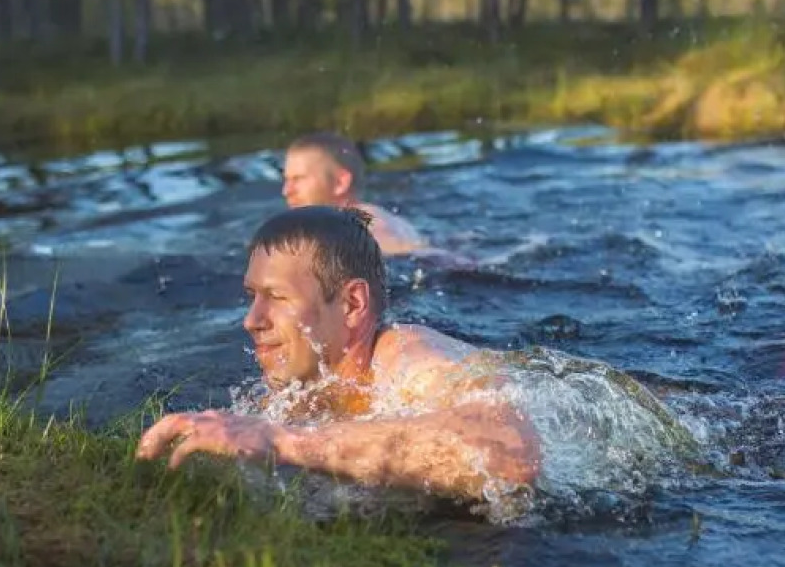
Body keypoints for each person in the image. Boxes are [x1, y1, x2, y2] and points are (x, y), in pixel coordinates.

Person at [135, 206, 540, 499]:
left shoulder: (409, 358)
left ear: (351, 304)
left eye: (276, 296)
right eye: (251, 296)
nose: (251, 319)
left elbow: (509, 455)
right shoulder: (299, 383)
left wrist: (285, 443)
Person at [280, 132, 429, 255]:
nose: (286, 191)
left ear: (340, 183)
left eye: (298, 179)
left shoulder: (360, 224)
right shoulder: (364, 219)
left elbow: (411, 253)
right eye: (286, 180)